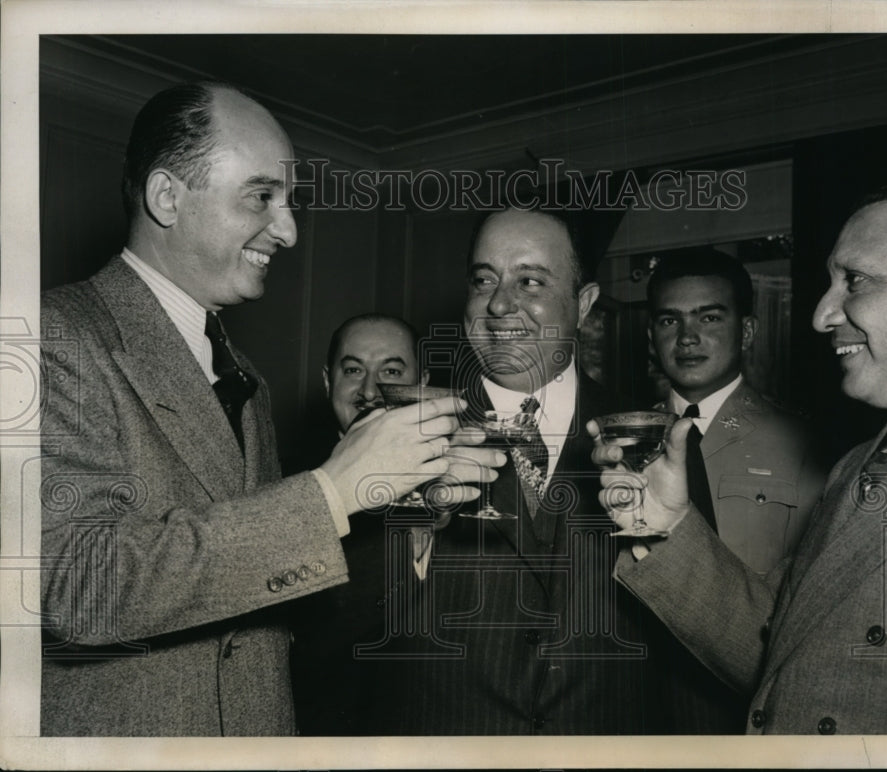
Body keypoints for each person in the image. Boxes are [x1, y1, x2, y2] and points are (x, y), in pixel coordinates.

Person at [38, 82, 494, 736]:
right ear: (168, 197)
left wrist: (396, 495)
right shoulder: (54, 336)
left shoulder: (241, 372)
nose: (288, 230)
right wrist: (333, 489)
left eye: (289, 203)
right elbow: (80, 588)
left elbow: (258, 578)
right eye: (262, 197)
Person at [594, 173, 887, 734]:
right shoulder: (859, 463)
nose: (822, 314)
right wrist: (668, 523)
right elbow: (783, 653)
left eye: (856, 281)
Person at [375, 208, 671, 735]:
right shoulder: (399, 430)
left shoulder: (651, 439)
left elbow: (690, 655)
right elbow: (326, 627)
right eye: (483, 279)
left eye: (529, 280)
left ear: (583, 305)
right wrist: (415, 523)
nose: (499, 303)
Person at [641, 248, 826, 732]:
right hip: (636, 710)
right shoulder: (620, 442)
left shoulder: (807, 444)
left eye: (709, 317)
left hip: (748, 709)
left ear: (746, 330)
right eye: (668, 320)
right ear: (650, 336)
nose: (687, 338)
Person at [291, 313, 434, 734]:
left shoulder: (468, 484)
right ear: (326, 382)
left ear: (422, 384)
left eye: (391, 371)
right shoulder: (283, 493)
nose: (369, 390)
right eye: (353, 370)